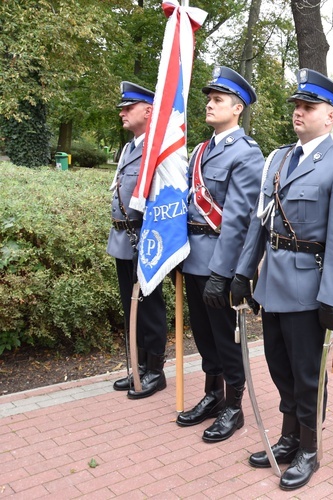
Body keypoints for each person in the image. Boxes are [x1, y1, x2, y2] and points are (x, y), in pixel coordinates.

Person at [231, 68, 333, 490]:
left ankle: (309, 447)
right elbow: (261, 220)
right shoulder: (279, 158)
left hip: (310, 288)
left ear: (330, 117)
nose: (299, 112)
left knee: (308, 374)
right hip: (273, 283)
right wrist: (242, 273)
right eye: (297, 105)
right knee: (279, 367)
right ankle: (288, 436)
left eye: (308, 107)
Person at [176, 67, 264, 443]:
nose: (209, 105)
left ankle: (233, 406)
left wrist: (222, 271)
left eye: (218, 100)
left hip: (219, 264)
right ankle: (212, 395)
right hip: (193, 257)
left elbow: (240, 220)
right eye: (209, 99)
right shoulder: (200, 151)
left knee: (227, 339)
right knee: (203, 335)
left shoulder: (246, 154)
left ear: (237, 108)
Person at [108, 81, 168, 399]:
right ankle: (138, 366)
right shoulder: (131, 148)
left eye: (128, 107)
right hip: (123, 239)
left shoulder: (155, 151)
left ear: (148, 111)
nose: (122, 112)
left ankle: (155, 371)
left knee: (148, 307)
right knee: (130, 306)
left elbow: (160, 200)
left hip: (144, 240)